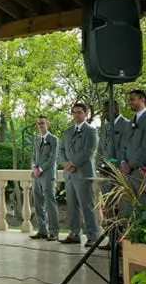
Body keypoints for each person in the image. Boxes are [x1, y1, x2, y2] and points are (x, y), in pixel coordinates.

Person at [58, 103, 101, 247]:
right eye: (74, 112)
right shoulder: (67, 131)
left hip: (83, 174)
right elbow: (61, 150)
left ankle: (92, 235)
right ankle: (74, 234)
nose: (76, 115)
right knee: (72, 206)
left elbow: (89, 151)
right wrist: (64, 163)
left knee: (87, 205)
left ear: (86, 114)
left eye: (79, 112)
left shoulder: (91, 131)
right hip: (69, 174)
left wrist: (72, 164)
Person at [29, 115, 60, 240]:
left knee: (50, 203)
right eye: (38, 123)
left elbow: (52, 158)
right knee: (37, 203)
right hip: (36, 175)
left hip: (47, 175)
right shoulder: (37, 140)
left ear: (47, 123)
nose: (40, 125)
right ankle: (42, 230)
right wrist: (33, 167)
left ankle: (54, 231)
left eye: (42, 123)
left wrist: (40, 169)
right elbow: (32, 155)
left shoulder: (54, 139)